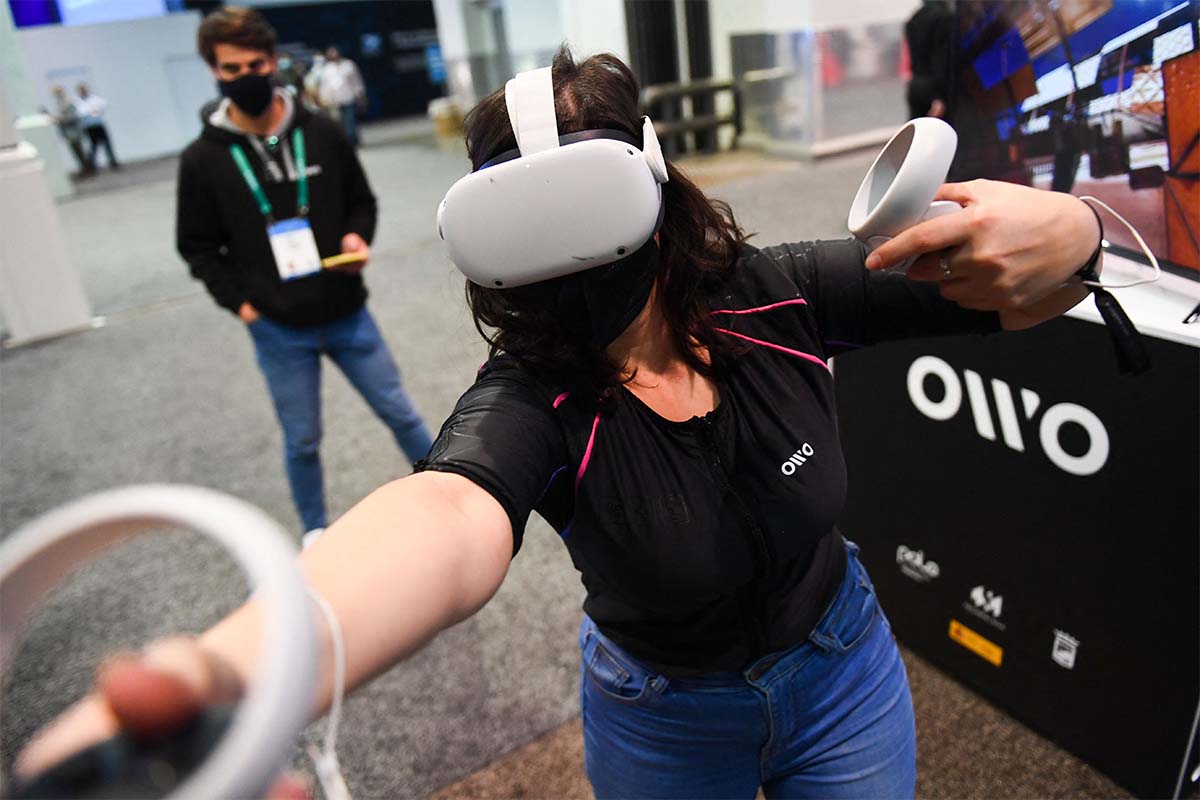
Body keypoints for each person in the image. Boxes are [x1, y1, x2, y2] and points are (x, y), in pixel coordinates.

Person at [17, 49, 1105, 799]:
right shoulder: (535, 393)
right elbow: (442, 521)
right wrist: (229, 674)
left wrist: (1075, 229)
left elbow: (1020, 289)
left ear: (651, 182)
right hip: (665, 714)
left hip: (843, 667)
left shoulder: (774, 293)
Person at [173, 7, 433, 540]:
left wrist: (358, 236)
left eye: (255, 64)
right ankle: (315, 532)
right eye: (231, 69)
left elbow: (362, 202)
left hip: (346, 310)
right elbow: (197, 246)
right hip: (277, 327)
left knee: (402, 414)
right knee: (302, 440)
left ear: (273, 61)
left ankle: (455, 492)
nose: (246, 76)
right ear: (214, 72)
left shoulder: (321, 132)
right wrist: (242, 305)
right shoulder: (202, 159)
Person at [905, 0, 956, 121]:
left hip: (916, 87)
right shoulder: (945, 18)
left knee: (919, 136)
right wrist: (938, 96)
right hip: (935, 91)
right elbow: (941, 61)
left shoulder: (914, 19)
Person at [317, 46, 366, 147]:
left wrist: (360, 95)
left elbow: (356, 81)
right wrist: (324, 99)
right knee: (339, 123)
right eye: (330, 53)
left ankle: (353, 141)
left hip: (349, 98)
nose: (333, 55)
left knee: (350, 120)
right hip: (334, 101)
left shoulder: (349, 65)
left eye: (334, 52)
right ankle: (345, 142)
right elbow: (324, 86)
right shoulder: (326, 69)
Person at [45, 85, 91, 176]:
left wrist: (59, 119)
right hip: (69, 133)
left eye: (56, 92)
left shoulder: (67, 102)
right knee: (77, 153)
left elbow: (73, 117)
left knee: (80, 152)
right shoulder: (61, 103)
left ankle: (88, 170)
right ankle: (86, 170)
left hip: (74, 132)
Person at [74, 83, 120, 170]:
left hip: (98, 124)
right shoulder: (78, 101)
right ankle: (92, 165)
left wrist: (94, 110)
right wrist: (90, 111)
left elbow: (103, 105)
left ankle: (113, 162)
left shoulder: (94, 98)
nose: (84, 91)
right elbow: (80, 113)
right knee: (93, 146)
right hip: (89, 126)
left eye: (85, 89)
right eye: (82, 90)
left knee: (107, 143)